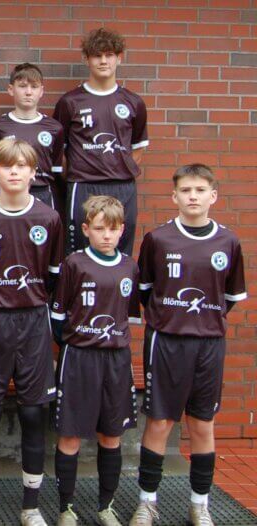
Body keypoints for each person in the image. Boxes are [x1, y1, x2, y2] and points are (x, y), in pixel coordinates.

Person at [130, 164, 247, 526]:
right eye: (185, 190)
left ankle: (200, 505)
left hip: (208, 344)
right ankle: (147, 503)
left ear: (213, 196)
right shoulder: (158, 239)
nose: (193, 196)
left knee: (202, 424)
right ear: (174, 196)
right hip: (166, 342)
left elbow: (229, 298)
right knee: (160, 421)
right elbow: (146, 292)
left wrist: (201, 321)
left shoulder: (228, 242)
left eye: (200, 190)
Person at [0, 138, 62, 526]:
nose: (15, 172)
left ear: (33, 173)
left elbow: (53, 275)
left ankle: (30, 506)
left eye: (22, 166)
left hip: (33, 320)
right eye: (7, 165)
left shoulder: (48, 218)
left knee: (33, 413)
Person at [50, 196, 140, 526]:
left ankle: (106, 507)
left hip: (116, 360)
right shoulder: (74, 263)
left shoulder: (130, 267)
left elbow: (129, 315)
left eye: (113, 229)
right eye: (100, 228)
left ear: (122, 230)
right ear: (86, 229)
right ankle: (66, 508)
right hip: (79, 358)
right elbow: (58, 316)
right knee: (70, 435)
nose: (106, 235)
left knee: (111, 435)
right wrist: (75, 344)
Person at [53, 27, 148, 255]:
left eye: (109, 55)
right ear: (87, 59)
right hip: (83, 186)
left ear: (119, 58)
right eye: (97, 55)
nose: (103, 61)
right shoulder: (69, 102)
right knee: (78, 253)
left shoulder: (133, 102)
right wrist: (79, 172)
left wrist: (117, 169)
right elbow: (59, 152)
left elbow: (137, 150)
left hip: (122, 187)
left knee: (120, 252)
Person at [0, 63, 64, 210]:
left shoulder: (54, 128)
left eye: (34, 87)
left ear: (41, 91)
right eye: (22, 86)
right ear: (11, 89)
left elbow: (56, 170)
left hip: (42, 193)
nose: (28, 92)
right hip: (7, 194)